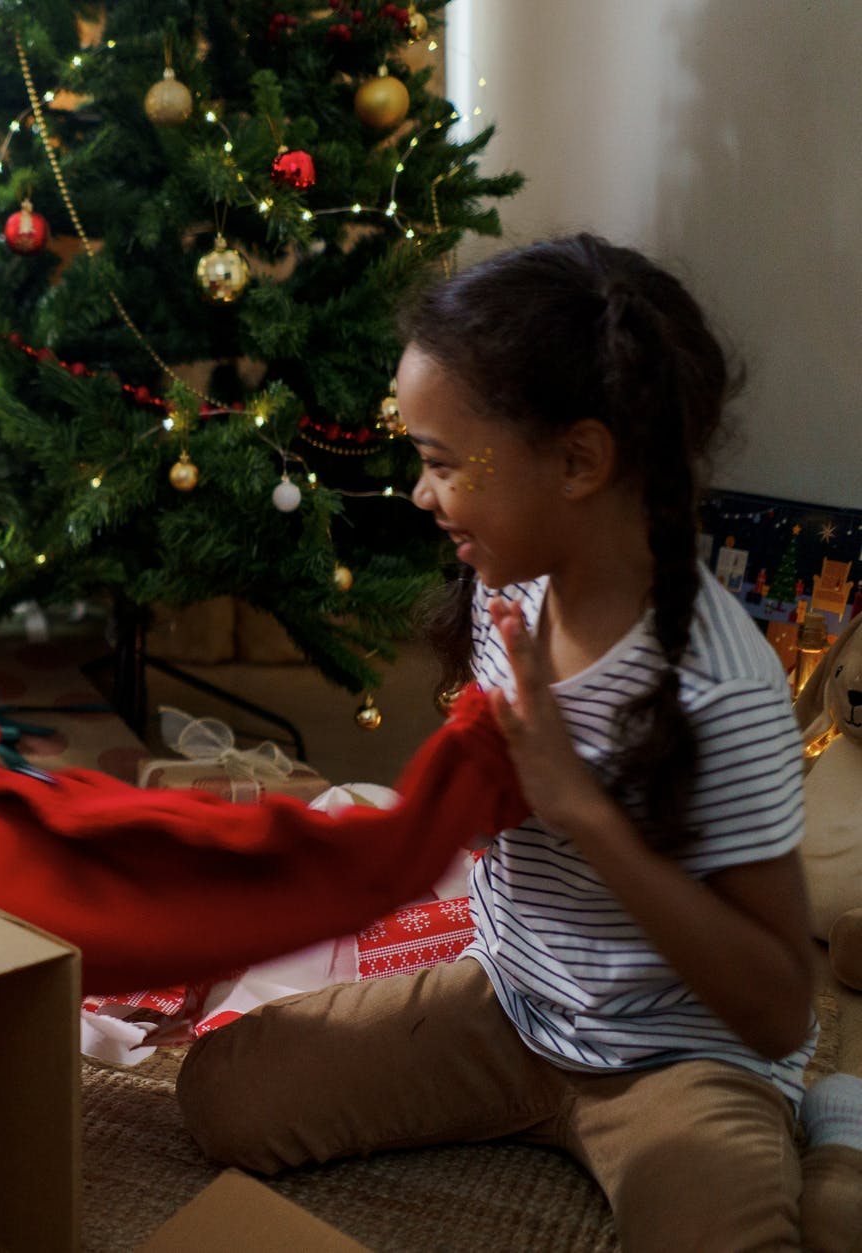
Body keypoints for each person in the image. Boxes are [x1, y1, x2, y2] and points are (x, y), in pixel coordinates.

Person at [175, 235, 862, 1250]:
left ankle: (833, 1133)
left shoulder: (723, 688)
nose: (419, 494)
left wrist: (581, 807)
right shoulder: (509, 585)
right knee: (222, 1094)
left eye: (441, 464)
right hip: (508, 1002)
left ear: (578, 460)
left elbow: (770, 1004)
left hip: (679, 1056)